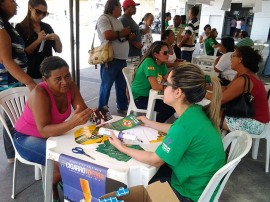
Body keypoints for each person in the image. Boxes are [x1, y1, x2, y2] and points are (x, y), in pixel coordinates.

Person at [109, 63, 225, 202]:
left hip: (187, 194)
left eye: (166, 83)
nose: (163, 87)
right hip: (198, 185)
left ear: (178, 92)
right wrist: (149, 122)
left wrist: (122, 148)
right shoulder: (194, 112)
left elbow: (155, 160)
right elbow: (177, 132)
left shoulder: (184, 126)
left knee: (119, 196)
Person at [14, 56, 94, 201]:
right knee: (59, 160)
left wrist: (89, 115)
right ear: (45, 79)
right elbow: (43, 130)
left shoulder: (71, 86)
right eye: (58, 79)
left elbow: (82, 111)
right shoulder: (40, 93)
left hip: (54, 135)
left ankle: (67, 184)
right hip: (26, 138)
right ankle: (52, 194)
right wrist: (72, 123)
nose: (65, 82)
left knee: (83, 150)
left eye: (67, 76)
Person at [0, 0, 37, 163]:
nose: (16, 4)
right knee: (12, 119)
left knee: (16, 118)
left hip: (15, 81)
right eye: (12, 1)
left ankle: (19, 151)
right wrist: (30, 82)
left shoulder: (5, 24)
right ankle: (15, 154)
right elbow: (6, 60)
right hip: (11, 83)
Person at [208, 46, 269, 135]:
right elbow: (226, 89)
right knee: (211, 111)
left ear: (240, 59)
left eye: (233, 56)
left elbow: (221, 99)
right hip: (251, 117)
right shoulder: (244, 75)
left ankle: (211, 145)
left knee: (208, 116)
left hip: (256, 122)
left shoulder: (244, 79)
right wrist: (206, 87)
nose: (231, 59)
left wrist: (204, 94)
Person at [96, 0, 131, 114]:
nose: (121, 9)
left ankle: (122, 106)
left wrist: (126, 35)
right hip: (110, 59)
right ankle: (102, 109)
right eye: (119, 7)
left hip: (121, 59)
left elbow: (118, 37)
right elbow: (107, 35)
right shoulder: (104, 18)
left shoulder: (117, 20)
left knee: (121, 85)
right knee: (106, 85)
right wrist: (123, 33)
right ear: (113, 7)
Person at [15, 0, 62, 83]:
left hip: (49, 73)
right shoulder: (20, 27)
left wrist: (57, 38)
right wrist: (38, 40)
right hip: (31, 74)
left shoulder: (47, 27)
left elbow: (59, 50)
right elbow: (23, 53)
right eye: (38, 12)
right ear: (30, 8)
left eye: (44, 13)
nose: (41, 16)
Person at [131, 41, 175, 123]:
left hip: (151, 96)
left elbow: (170, 80)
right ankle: (154, 126)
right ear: (155, 54)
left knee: (173, 103)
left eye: (168, 52)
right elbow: (156, 86)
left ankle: (155, 124)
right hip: (139, 98)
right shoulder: (149, 62)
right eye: (165, 53)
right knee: (170, 108)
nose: (168, 55)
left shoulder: (162, 64)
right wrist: (172, 88)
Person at [120, 0, 142, 65]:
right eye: (133, 7)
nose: (135, 9)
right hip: (130, 54)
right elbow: (121, 38)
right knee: (132, 74)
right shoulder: (123, 20)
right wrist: (134, 43)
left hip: (135, 54)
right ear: (126, 8)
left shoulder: (129, 19)